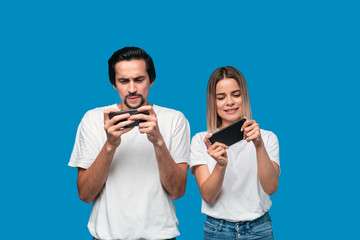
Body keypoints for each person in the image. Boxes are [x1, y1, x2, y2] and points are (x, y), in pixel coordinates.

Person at [69, 47, 190, 240]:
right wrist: (110, 145)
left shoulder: (175, 119)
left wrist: (158, 142)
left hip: (160, 237)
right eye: (124, 81)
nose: (132, 89)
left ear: (151, 80)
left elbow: (177, 191)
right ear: (114, 84)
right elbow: (85, 194)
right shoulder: (93, 119)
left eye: (139, 80)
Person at [190, 66, 280, 240]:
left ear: (244, 97)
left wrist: (259, 145)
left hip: (259, 229)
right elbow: (208, 196)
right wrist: (221, 165)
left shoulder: (268, 138)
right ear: (213, 102)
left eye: (236, 95)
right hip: (217, 230)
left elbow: (271, 187)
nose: (229, 102)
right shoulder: (201, 141)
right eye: (221, 97)